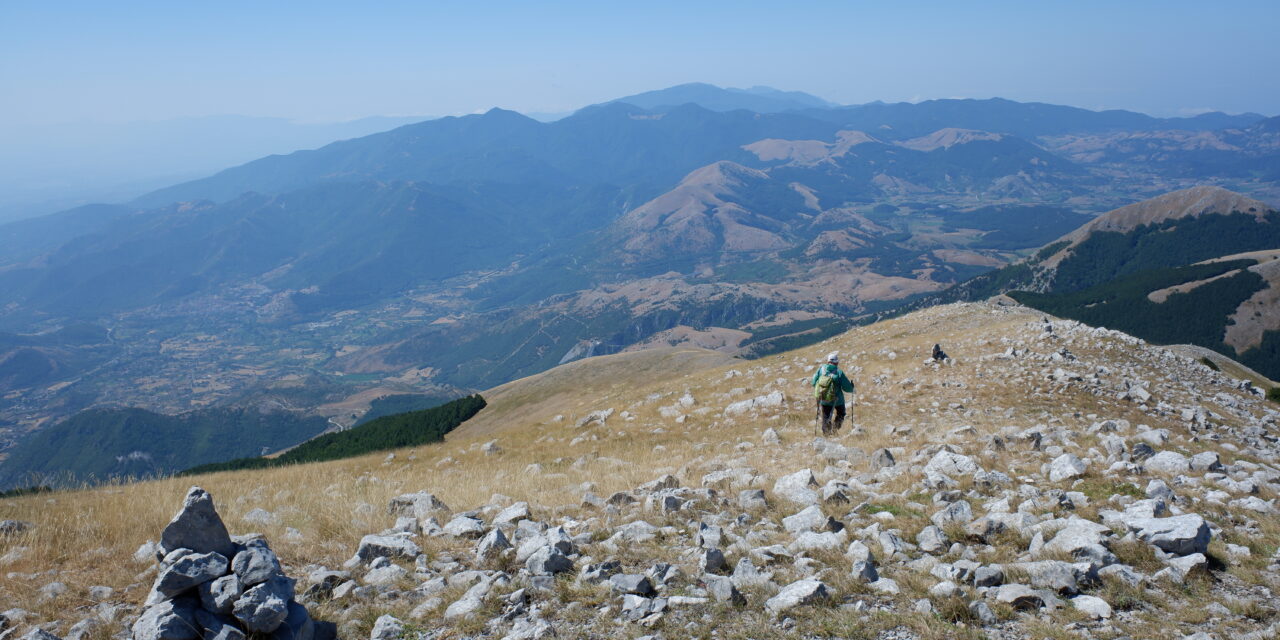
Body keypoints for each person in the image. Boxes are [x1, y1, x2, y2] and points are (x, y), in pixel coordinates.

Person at [810, 352, 854, 436]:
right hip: (837, 400)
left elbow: (813, 382)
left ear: (828, 361)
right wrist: (852, 388)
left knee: (825, 416)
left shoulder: (821, 369)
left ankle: (826, 434)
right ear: (837, 362)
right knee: (841, 413)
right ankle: (835, 429)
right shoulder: (839, 372)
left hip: (823, 399)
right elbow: (846, 388)